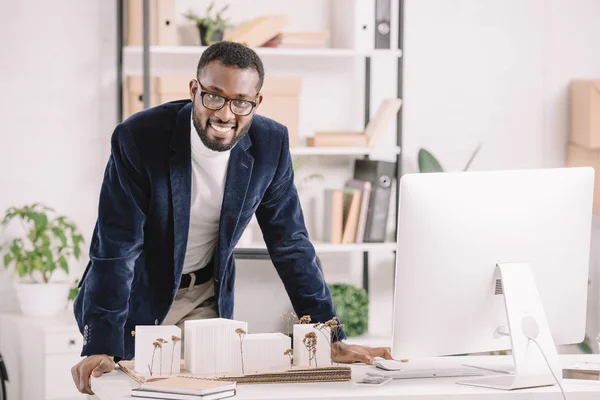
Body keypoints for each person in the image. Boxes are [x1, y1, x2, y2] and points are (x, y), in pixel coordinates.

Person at [70, 41, 393, 395]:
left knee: (212, 392)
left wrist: (327, 335)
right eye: (213, 96)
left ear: (256, 103)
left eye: (241, 101)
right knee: (134, 392)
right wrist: (100, 343)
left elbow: (291, 245)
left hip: (206, 296)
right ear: (194, 90)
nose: (225, 113)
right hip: (134, 296)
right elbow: (116, 247)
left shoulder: (271, 144)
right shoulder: (140, 137)